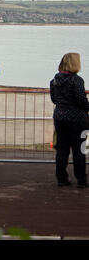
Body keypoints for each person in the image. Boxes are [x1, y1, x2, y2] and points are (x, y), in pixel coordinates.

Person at [50, 53, 89, 188]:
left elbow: (54, 99)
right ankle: (81, 180)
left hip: (60, 117)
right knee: (79, 150)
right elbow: (81, 100)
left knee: (62, 149)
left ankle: (61, 178)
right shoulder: (77, 80)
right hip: (77, 119)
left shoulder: (54, 80)